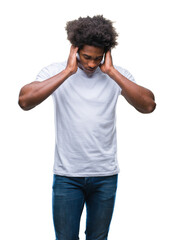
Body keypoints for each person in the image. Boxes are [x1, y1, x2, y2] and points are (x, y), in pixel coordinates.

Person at [18, 15, 156, 240]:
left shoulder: (115, 75)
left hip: (105, 175)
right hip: (67, 176)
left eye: (98, 58)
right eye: (86, 57)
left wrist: (111, 72)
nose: (92, 64)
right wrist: (67, 72)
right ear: (74, 50)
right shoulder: (56, 72)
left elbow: (148, 105)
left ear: (107, 54)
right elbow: (25, 101)